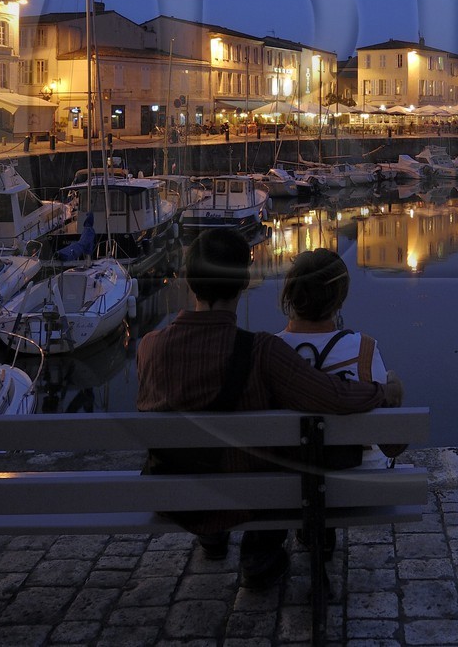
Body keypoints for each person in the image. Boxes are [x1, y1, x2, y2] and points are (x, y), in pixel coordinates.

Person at [136, 229, 402, 592]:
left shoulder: (149, 347)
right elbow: (334, 397)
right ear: (245, 282)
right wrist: (381, 391)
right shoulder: (260, 351)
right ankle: (259, 555)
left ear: (189, 280)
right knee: (275, 459)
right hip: (241, 496)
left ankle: (213, 541)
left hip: (171, 493)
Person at [274, 249, 404, 467]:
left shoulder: (268, 350)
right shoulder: (363, 349)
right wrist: (394, 393)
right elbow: (392, 443)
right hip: (359, 483)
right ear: (339, 300)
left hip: (286, 484)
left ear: (291, 295)